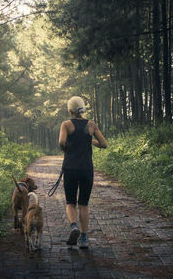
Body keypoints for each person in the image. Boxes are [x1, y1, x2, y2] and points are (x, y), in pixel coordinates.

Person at [58, 96, 107, 249]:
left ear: (70, 110)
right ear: (82, 108)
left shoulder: (66, 124)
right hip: (86, 169)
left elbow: (61, 142)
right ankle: (84, 238)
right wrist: (89, 140)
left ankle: (74, 226)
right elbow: (104, 144)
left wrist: (67, 148)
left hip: (70, 168)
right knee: (84, 204)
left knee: (71, 202)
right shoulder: (91, 125)